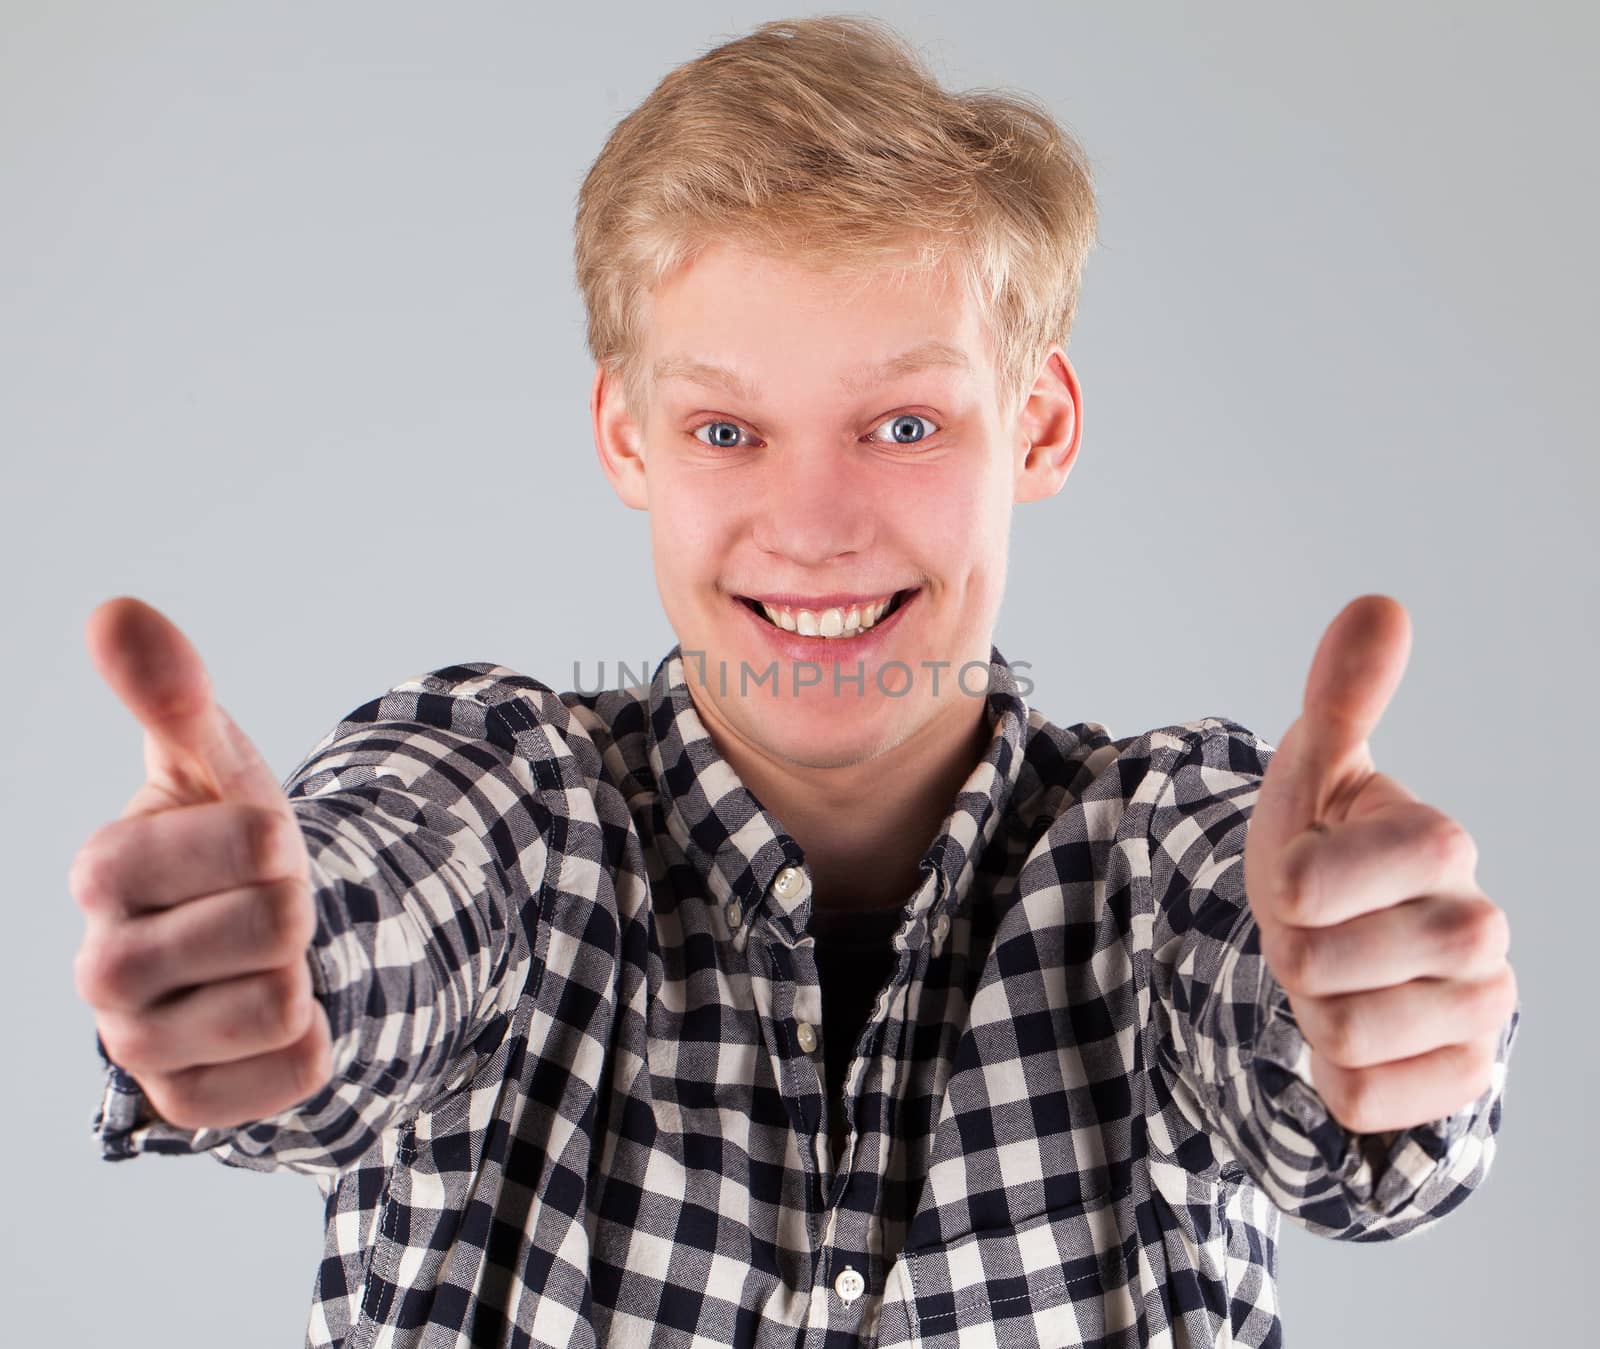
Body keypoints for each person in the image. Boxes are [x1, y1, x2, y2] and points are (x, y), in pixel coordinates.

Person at [71, 15, 1519, 1348]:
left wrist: (1384, 1026)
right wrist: (271, 974)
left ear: (1041, 425)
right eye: (725, 430)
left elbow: (1331, 1087)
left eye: (902, 423)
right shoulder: (506, 794)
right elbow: (384, 905)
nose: (816, 525)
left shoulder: (1167, 856)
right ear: (626, 438)